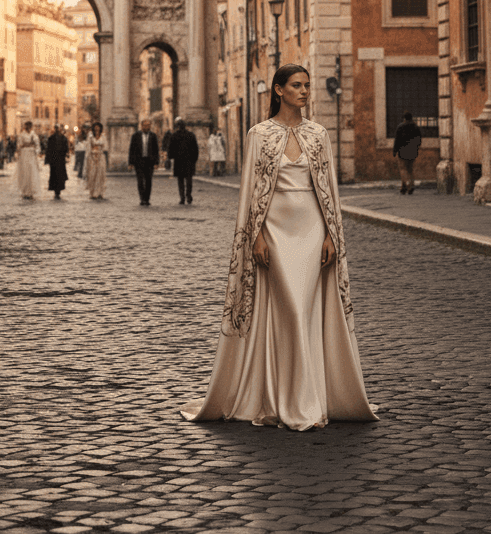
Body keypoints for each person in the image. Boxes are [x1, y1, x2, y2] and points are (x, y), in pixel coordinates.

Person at [181, 63, 378, 431]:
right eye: (296, 85)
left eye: (307, 85)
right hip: (273, 229)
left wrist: (331, 235)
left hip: (312, 228)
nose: (304, 91)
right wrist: (255, 235)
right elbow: (250, 193)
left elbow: (329, 192)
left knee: (304, 308)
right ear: (278, 90)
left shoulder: (319, 134)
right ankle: (282, 395)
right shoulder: (259, 134)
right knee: (286, 308)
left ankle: (310, 397)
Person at [128, 118, 160, 206]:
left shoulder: (153, 136)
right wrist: (130, 162)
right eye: (145, 125)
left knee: (149, 181)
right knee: (140, 181)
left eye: (149, 125)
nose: (147, 127)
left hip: (149, 161)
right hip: (139, 161)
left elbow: (156, 150)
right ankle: (142, 198)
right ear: (141, 126)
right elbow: (132, 149)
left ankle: (147, 198)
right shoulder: (135, 135)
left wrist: (157, 162)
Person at [168, 118, 200, 205]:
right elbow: (195, 149)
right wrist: (194, 159)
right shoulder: (191, 135)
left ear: (177, 126)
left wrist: (171, 157)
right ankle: (188, 196)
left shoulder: (174, 135)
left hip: (179, 161)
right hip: (189, 161)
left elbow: (171, 149)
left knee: (180, 180)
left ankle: (182, 198)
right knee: (189, 180)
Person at [392, 112, 423, 194]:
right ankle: (405, 187)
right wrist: (416, 148)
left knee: (403, 169)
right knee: (410, 170)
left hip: (402, 151)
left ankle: (408, 185)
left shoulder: (400, 127)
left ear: (404, 118)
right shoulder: (416, 127)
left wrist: (395, 151)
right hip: (413, 151)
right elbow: (419, 139)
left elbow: (397, 140)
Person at [15, 121, 40, 200]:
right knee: (25, 173)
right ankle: (25, 191)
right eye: (26, 126)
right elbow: (19, 145)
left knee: (32, 173)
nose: (28, 128)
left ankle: (31, 191)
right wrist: (22, 147)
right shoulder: (22, 134)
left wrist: (36, 151)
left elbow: (37, 145)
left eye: (29, 126)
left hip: (31, 154)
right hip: (24, 154)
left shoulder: (34, 135)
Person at [45, 124, 70, 200]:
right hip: (54, 160)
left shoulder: (63, 138)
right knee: (54, 176)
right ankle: (56, 191)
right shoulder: (51, 138)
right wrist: (48, 159)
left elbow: (66, 147)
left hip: (61, 159)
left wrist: (66, 154)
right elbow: (48, 149)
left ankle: (58, 191)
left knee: (60, 176)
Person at [85, 122, 108, 200]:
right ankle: (93, 192)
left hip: (101, 156)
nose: (97, 128)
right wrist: (88, 156)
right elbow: (88, 146)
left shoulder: (103, 136)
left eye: (98, 127)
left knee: (101, 175)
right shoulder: (90, 136)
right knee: (92, 175)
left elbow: (105, 146)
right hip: (92, 157)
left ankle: (100, 192)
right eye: (95, 127)